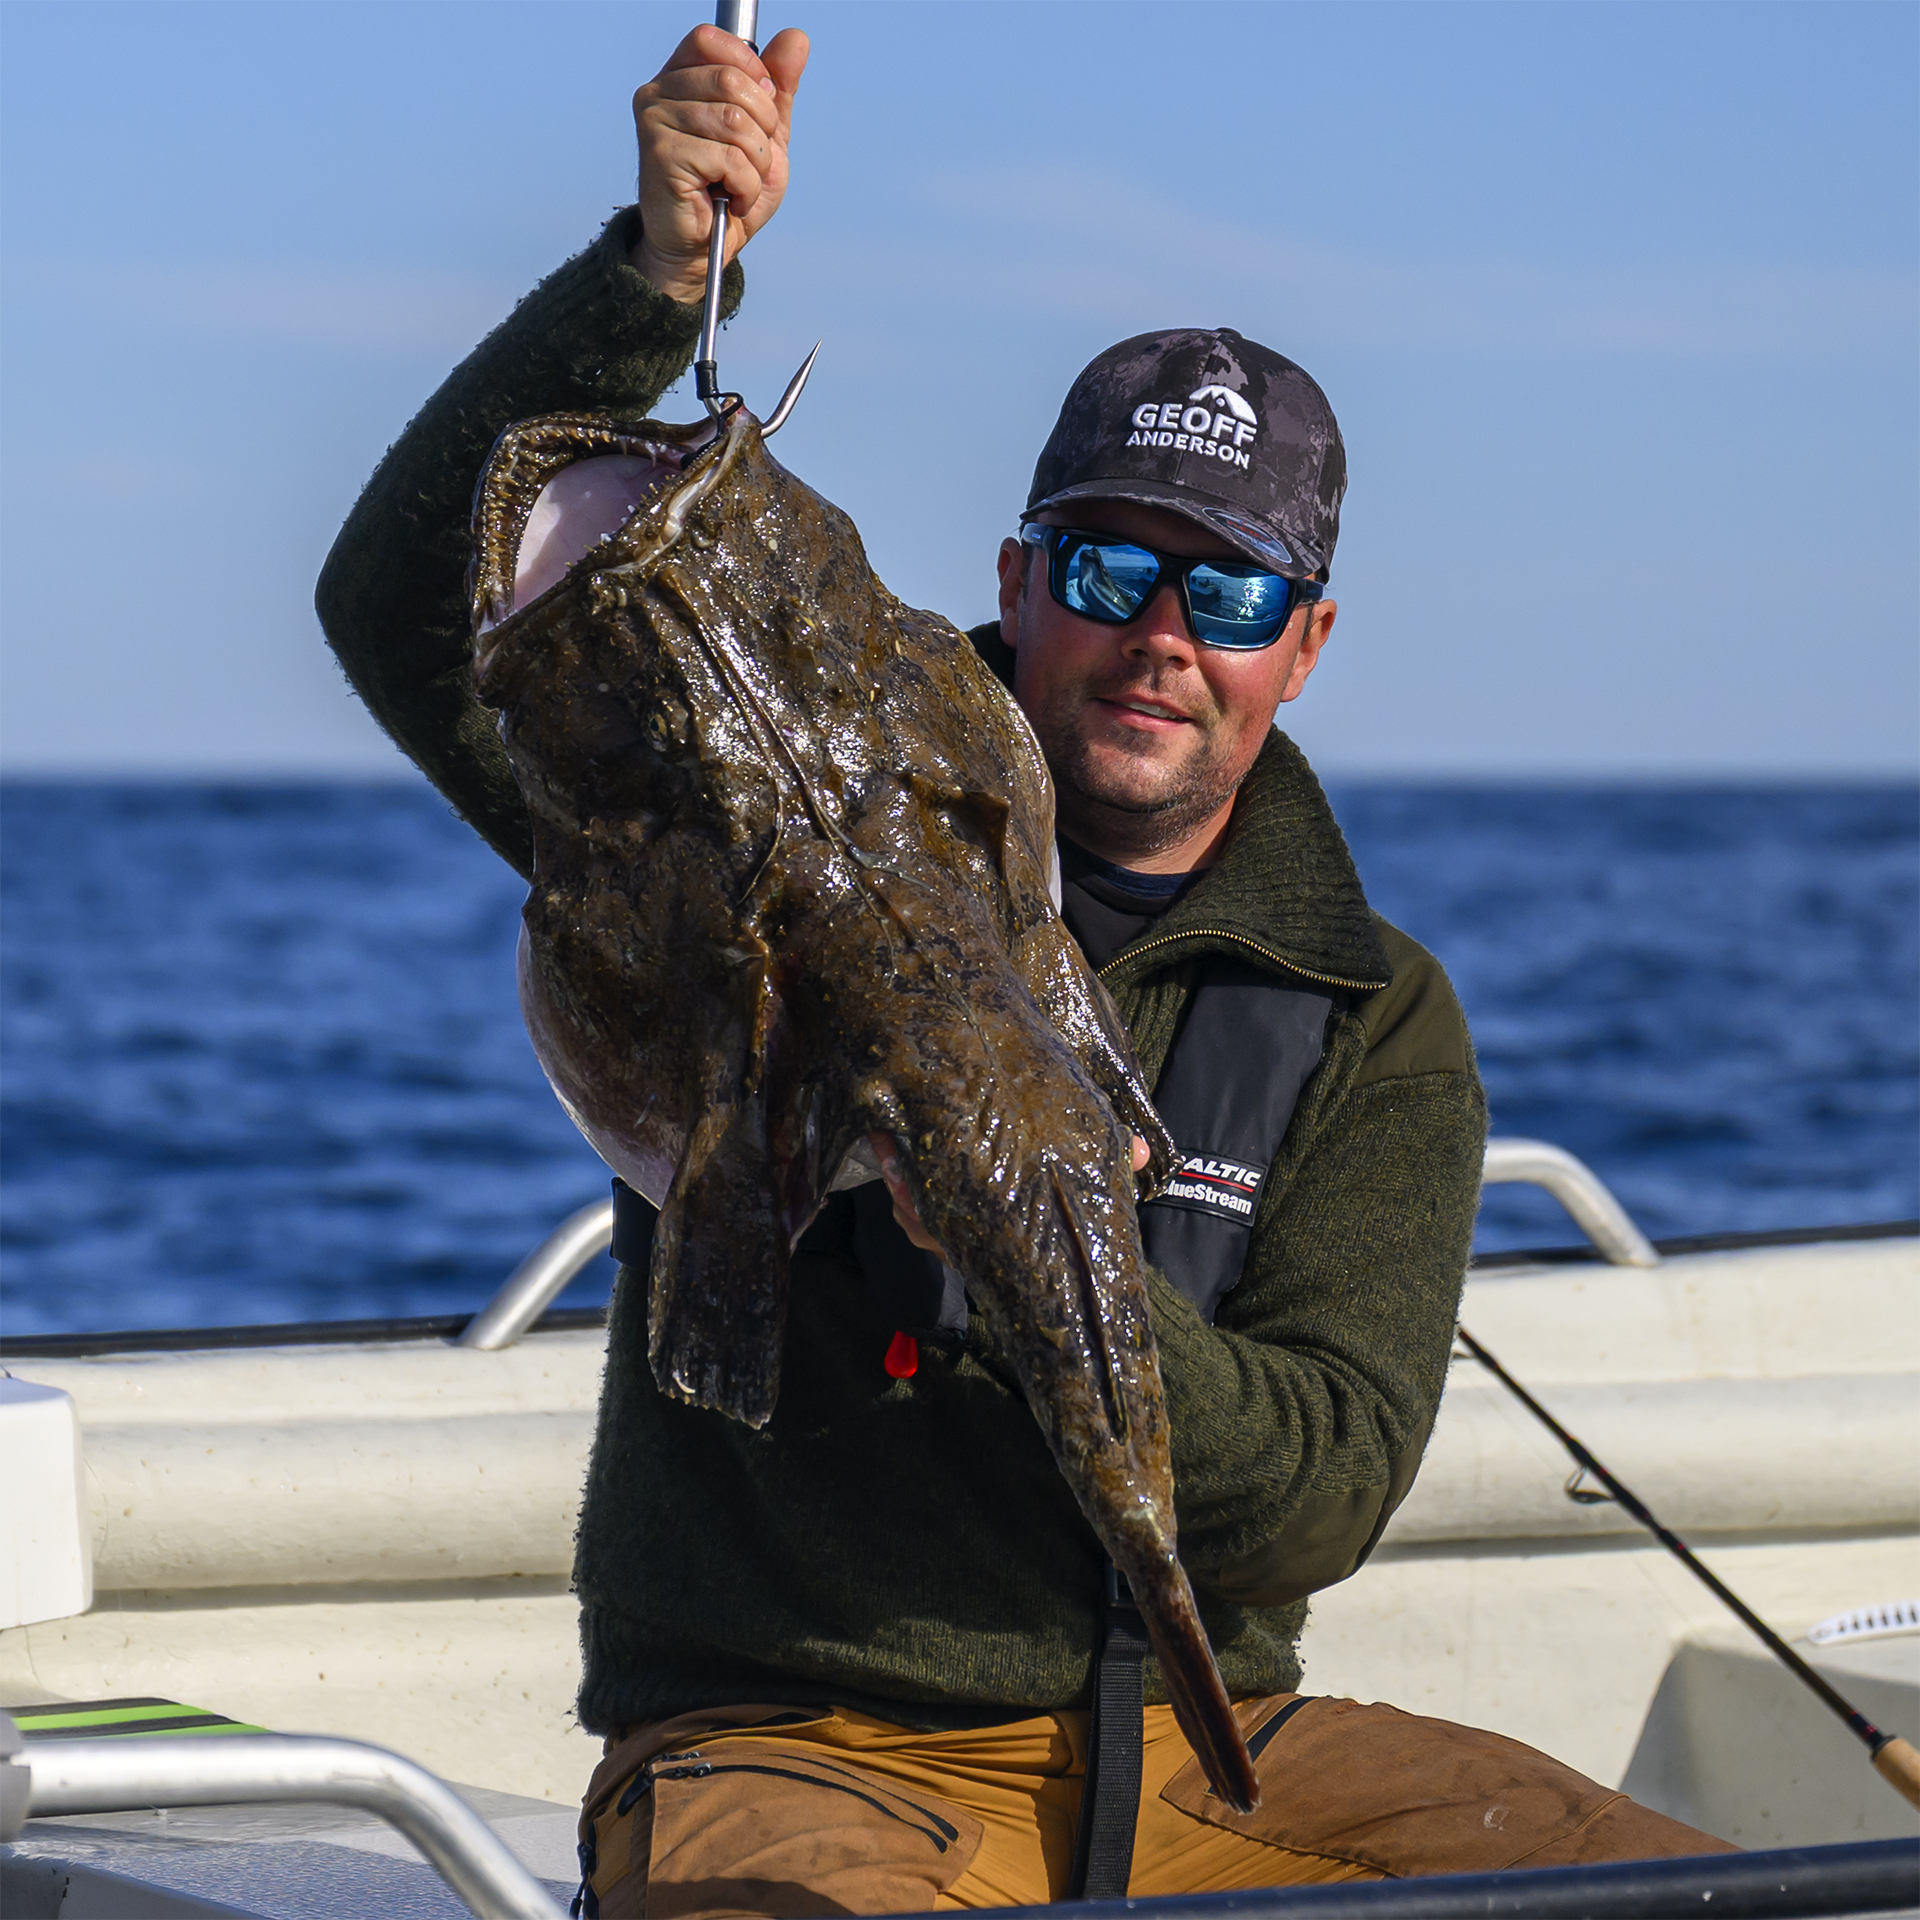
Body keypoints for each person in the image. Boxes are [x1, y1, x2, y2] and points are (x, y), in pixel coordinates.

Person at [316, 22, 1729, 1915]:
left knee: (1763, 1890)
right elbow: (407, 608)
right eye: (1103, 570)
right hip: (794, 1740)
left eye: (1222, 593)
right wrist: (656, 284)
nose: (1157, 636)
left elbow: (1320, 1480)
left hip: (1211, 1745)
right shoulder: (715, 823)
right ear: (1010, 576)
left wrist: (1021, 1235)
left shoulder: (1368, 1013)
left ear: (1300, 645)